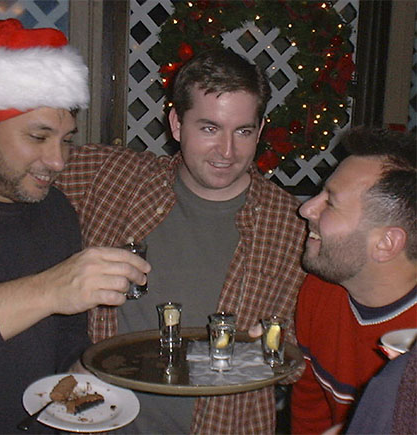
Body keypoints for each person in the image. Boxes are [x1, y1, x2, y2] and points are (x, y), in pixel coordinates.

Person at [56, 49, 307, 433]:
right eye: (209, 128)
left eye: (243, 131)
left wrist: (275, 349)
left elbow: (302, 357)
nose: (227, 151)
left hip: (226, 425)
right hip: (97, 423)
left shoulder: (293, 225)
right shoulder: (111, 177)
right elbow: (20, 166)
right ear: (176, 123)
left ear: (259, 129)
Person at [0, 19, 149, 434]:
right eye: (39, 137)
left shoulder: (55, 209)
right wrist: (51, 288)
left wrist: (104, 372)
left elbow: (64, 353)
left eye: (66, 139)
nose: (58, 162)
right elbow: (51, 293)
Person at [290, 127, 417, 434]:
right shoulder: (321, 290)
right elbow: (310, 414)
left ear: (386, 243)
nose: (305, 209)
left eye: (330, 203)